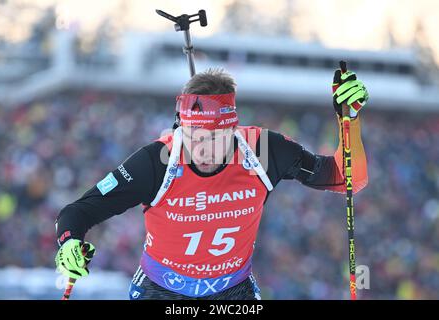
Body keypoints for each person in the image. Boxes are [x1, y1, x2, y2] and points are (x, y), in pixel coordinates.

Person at [55, 67, 369, 300]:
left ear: (233, 128)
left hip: (232, 292)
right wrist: (69, 243)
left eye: (215, 138)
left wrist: (350, 121)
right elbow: (80, 210)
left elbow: (346, 178)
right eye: (193, 137)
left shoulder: (262, 150)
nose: (202, 149)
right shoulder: (157, 159)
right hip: (162, 291)